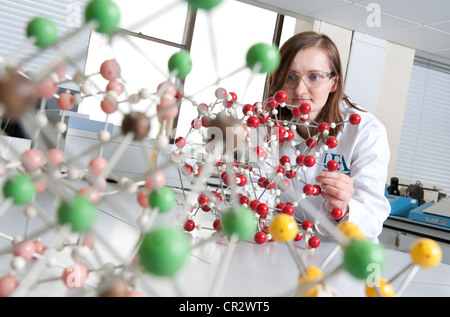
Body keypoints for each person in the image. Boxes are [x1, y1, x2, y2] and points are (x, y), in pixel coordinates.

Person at [265, 31, 391, 241]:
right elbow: (257, 193)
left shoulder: (365, 130)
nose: (300, 90)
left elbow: (373, 216)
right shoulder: (269, 126)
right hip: (285, 244)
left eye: (314, 77)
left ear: (333, 83)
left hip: (342, 250)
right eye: (290, 76)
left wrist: (345, 207)